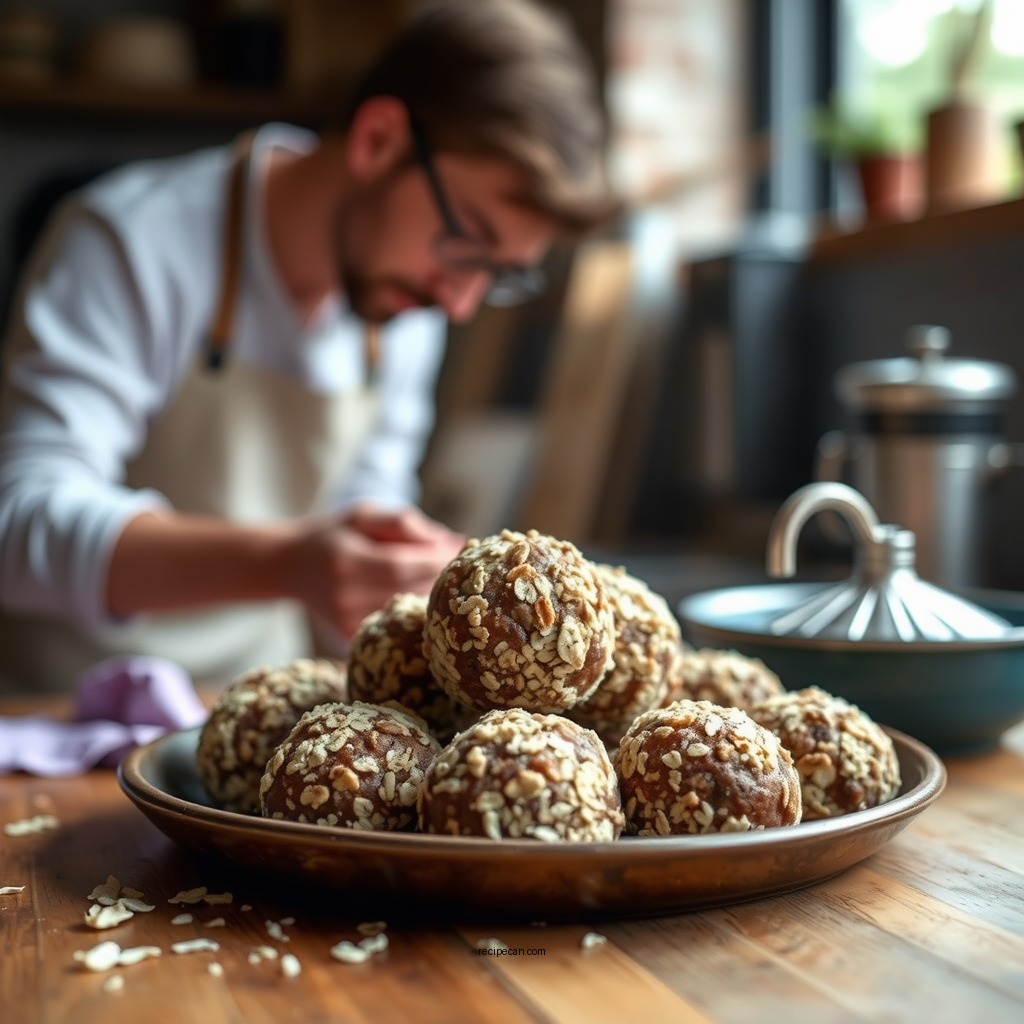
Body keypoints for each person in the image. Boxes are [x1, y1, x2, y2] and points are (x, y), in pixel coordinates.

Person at [0, 0, 614, 693]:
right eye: (465, 241)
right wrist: (289, 564)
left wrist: (404, 582)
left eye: (499, 273)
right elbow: (20, 522)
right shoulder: (134, 241)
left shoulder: (406, 305)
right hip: (60, 715)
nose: (460, 300)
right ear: (378, 140)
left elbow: (358, 545)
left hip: (262, 702)